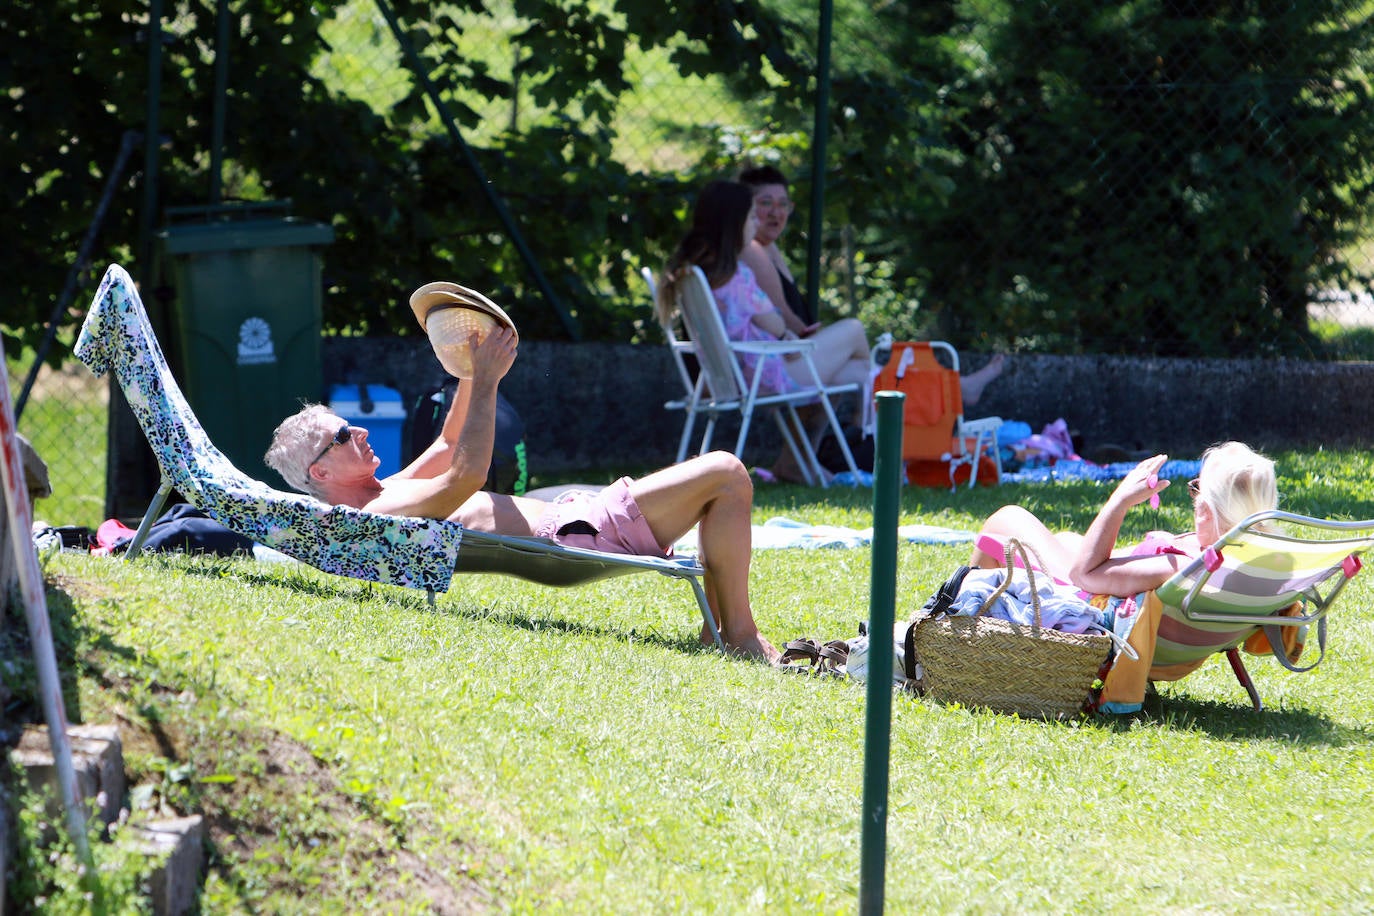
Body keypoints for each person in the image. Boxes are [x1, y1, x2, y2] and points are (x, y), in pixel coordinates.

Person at [264, 321, 780, 663]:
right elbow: (465, 475)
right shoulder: (381, 510)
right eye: (342, 437)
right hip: (580, 533)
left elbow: (448, 442)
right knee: (726, 472)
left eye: (352, 427)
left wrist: (469, 370)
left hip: (578, 519)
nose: (362, 433)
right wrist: (485, 382)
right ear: (321, 474)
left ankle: (722, 633)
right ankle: (740, 633)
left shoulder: (389, 489)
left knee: (721, 483)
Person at [737, 164, 1005, 407]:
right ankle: (876, 423)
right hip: (777, 365)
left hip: (776, 362)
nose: (776, 212)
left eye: (784, 204)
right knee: (856, 337)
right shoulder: (753, 250)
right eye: (766, 203)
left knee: (863, 372)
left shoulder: (767, 247)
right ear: (745, 208)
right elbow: (782, 317)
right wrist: (811, 339)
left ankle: (798, 462)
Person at [657, 179, 872, 480]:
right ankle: (865, 432)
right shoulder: (737, 277)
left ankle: (805, 460)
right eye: (751, 217)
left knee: (857, 372)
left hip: (730, 375)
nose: (756, 224)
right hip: (767, 375)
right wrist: (786, 335)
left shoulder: (692, 274)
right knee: (854, 330)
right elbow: (775, 323)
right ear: (734, 225)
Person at [968, 441, 1278, 598]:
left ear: (1207, 509)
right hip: (1104, 576)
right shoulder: (1253, 557)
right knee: (1066, 539)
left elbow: (1083, 576)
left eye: (1196, 488)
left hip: (1087, 599)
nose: (1194, 499)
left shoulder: (1184, 567)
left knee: (1006, 519)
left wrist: (1121, 498)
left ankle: (958, 624)